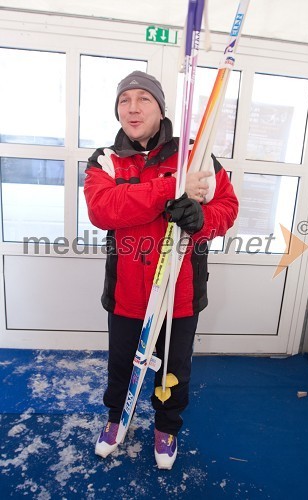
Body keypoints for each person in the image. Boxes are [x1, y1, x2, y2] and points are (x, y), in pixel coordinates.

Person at [84, 71, 238, 469]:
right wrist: (170, 189)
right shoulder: (106, 159)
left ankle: (166, 426)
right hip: (128, 293)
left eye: (143, 99)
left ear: (160, 107)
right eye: (124, 100)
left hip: (180, 292)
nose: (132, 108)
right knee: (122, 366)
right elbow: (104, 209)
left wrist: (199, 217)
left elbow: (228, 208)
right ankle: (117, 420)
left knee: (173, 369)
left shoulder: (197, 155)